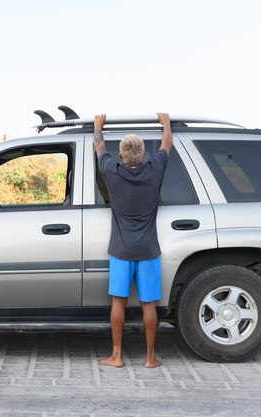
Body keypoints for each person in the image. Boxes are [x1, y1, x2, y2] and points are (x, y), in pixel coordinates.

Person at [94, 113, 171, 368]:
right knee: (148, 303)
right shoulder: (154, 170)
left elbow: (99, 146)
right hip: (148, 250)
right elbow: (166, 146)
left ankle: (116, 356)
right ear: (142, 155)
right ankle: (150, 358)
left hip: (121, 250)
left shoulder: (112, 172)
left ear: (122, 156)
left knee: (119, 302)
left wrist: (98, 126)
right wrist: (166, 123)